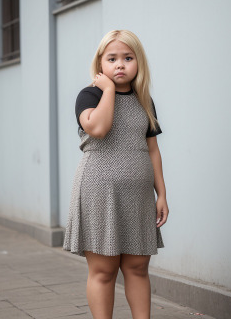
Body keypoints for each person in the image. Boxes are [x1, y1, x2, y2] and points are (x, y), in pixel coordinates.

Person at [63, 29, 169, 319]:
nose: (120, 64)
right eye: (112, 58)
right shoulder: (89, 95)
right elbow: (97, 128)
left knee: (137, 268)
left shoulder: (144, 100)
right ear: (100, 64)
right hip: (99, 192)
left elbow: (153, 150)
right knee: (104, 271)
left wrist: (162, 195)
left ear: (138, 63)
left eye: (128, 58)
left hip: (137, 196)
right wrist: (108, 90)